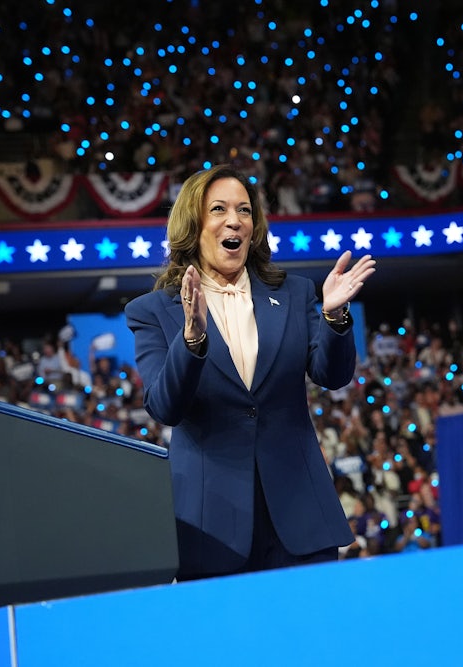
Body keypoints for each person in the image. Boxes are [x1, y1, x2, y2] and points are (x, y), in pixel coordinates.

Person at [125, 164, 376, 579]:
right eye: (219, 209)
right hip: (212, 528)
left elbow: (331, 375)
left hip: (300, 517)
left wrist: (334, 317)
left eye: (244, 210)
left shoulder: (294, 293)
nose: (234, 220)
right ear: (194, 223)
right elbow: (165, 406)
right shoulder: (152, 312)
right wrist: (191, 342)